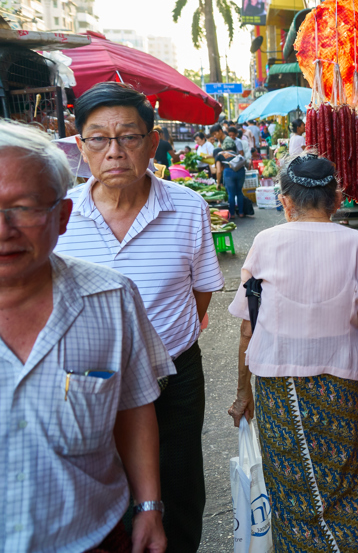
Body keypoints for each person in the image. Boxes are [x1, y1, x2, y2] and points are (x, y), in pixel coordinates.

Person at [55, 82, 225, 553]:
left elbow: (201, 291)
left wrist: (168, 341)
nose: (114, 151)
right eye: (99, 139)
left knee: (180, 484)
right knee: (99, 485)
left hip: (174, 374)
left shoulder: (188, 206)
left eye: (128, 137)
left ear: (152, 142)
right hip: (90, 379)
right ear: (80, 146)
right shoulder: (60, 214)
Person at [0, 121, 174, 552]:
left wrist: (149, 506)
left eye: (24, 207)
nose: (5, 229)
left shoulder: (111, 298)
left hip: (92, 535)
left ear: (61, 216)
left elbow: (134, 405)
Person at [227, 154, 358, 552]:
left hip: (280, 384)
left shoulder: (266, 241)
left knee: (292, 490)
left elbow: (247, 327)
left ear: (285, 201)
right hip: (343, 385)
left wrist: (244, 394)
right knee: (343, 481)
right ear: (337, 200)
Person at [216, 143, 247, 219]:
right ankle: (241, 213)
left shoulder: (220, 154)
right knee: (239, 192)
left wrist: (218, 183)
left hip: (229, 172)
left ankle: (232, 214)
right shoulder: (236, 154)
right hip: (241, 172)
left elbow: (219, 171)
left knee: (231, 194)